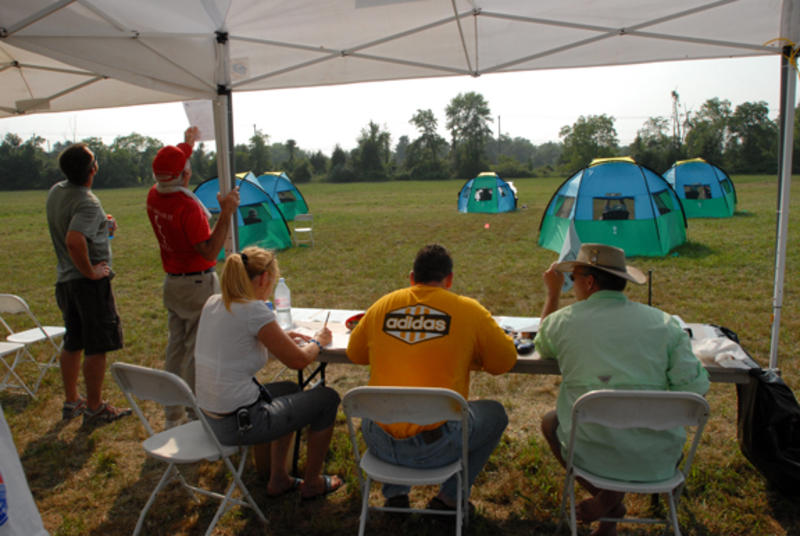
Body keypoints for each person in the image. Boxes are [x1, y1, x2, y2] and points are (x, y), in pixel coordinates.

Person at [535, 243, 710, 536]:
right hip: (658, 457)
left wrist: (552, 294)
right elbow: (695, 392)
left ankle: (608, 502)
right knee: (631, 429)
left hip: (590, 454)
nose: (571, 284)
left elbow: (542, 345)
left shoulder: (562, 322)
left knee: (550, 423)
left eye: (573, 277)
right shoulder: (665, 324)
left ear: (589, 282)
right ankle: (610, 506)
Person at [347, 244, 517, 512]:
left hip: (378, 441)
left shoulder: (382, 306)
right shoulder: (469, 310)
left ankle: (395, 495)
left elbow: (355, 354)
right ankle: (449, 498)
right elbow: (503, 363)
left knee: (385, 405)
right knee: (496, 414)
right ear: (449, 280)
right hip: (436, 447)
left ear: (412, 277)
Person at [194, 247, 343, 500]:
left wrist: (279, 335)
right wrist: (318, 341)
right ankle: (312, 484)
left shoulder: (213, 302)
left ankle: (279, 478)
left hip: (211, 418)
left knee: (291, 390)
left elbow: (236, 338)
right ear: (264, 278)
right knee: (328, 399)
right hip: (240, 424)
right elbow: (299, 360)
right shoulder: (254, 310)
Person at [146, 127, 240, 429]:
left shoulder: (155, 195)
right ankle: (196, 413)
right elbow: (211, 251)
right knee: (197, 351)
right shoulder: (187, 207)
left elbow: (173, 166)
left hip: (173, 282)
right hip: (196, 285)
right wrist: (226, 212)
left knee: (176, 350)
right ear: (186, 175)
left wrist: (187, 145)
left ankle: (172, 414)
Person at [46, 143, 132, 425]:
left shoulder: (57, 191)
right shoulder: (88, 202)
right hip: (87, 285)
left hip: (65, 282)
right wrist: (92, 272)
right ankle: (94, 408)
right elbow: (74, 240)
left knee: (73, 341)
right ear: (92, 169)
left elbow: (71, 221)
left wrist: (101, 224)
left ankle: (72, 401)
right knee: (97, 345)